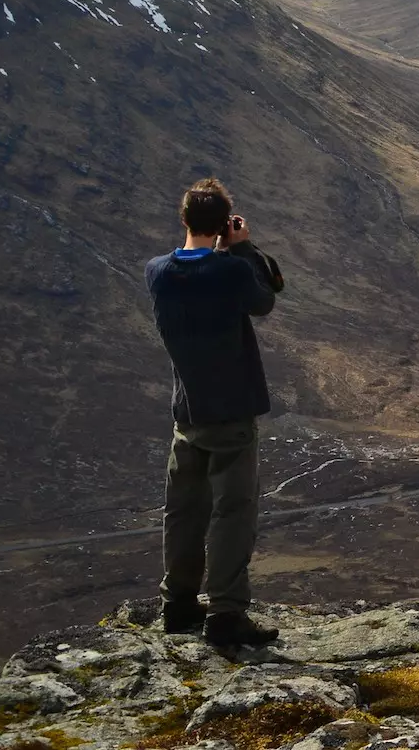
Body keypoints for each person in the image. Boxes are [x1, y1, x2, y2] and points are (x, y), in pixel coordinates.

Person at [144, 178, 285, 646]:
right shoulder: (230, 271)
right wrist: (241, 249)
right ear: (225, 223)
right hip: (232, 414)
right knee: (232, 512)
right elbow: (264, 299)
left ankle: (178, 604)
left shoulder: (157, 272)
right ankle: (225, 614)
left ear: (182, 220)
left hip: (188, 412)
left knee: (183, 510)